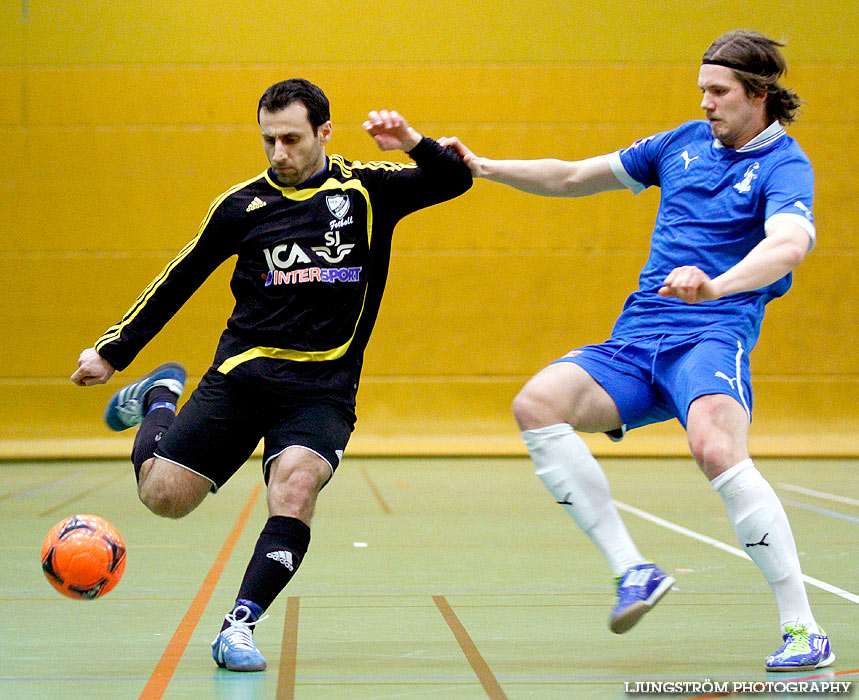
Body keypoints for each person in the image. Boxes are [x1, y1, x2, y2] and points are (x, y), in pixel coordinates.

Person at [440, 30, 833, 671]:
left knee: (715, 448)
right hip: (638, 336)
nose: (705, 102)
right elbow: (572, 176)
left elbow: (788, 246)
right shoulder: (678, 145)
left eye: (719, 91)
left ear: (759, 94)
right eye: (701, 89)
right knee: (537, 404)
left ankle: (803, 629)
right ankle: (634, 570)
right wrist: (485, 167)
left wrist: (717, 286)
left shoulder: (786, 164)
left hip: (712, 332)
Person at [71, 78, 472, 672]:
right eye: (268, 141)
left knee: (295, 486)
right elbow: (180, 278)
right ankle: (158, 394)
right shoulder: (240, 206)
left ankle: (239, 625)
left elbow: (453, 179)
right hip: (242, 377)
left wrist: (413, 141)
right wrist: (113, 350)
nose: (279, 153)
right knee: (163, 499)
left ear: (323, 132)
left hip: (322, 388)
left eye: (291, 138)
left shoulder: (365, 190)